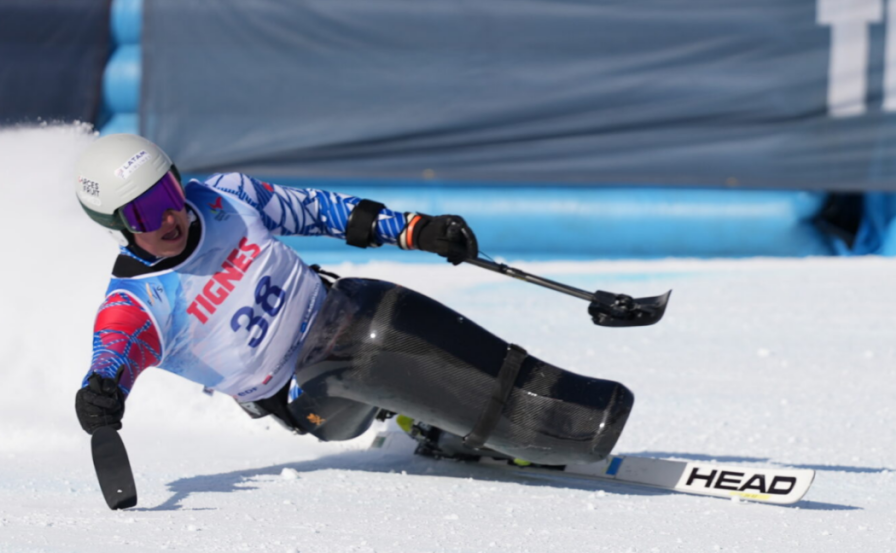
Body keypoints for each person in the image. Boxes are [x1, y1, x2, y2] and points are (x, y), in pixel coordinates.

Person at [74, 133, 633, 466]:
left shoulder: (225, 196)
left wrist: (416, 229)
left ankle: (541, 395)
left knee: (373, 305)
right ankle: (520, 429)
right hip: (302, 395)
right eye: (145, 214)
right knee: (369, 338)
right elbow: (112, 357)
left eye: (168, 193)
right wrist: (100, 393)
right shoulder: (138, 304)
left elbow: (320, 210)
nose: (170, 216)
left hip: (346, 315)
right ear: (117, 229)